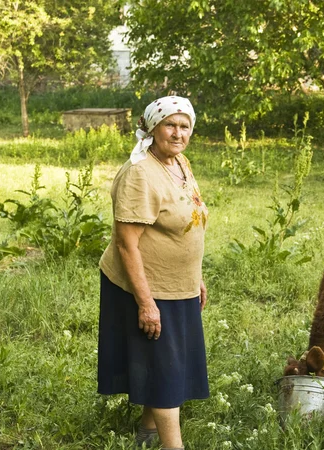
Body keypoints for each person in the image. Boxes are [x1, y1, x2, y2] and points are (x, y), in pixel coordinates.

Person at [97, 95, 209, 450]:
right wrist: (146, 303)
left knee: (167, 360)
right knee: (166, 368)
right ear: (152, 128)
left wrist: (196, 276)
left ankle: (147, 428)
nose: (178, 133)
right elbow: (126, 243)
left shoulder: (179, 163)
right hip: (146, 285)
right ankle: (171, 446)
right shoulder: (140, 174)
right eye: (170, 125)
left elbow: (187, 222)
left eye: (184, 126)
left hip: (179, 284)